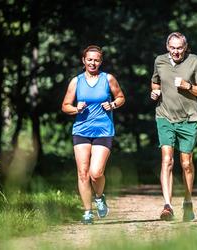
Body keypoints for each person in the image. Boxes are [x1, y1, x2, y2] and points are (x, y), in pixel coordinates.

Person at [62, 45, 125, 224]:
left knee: (95, 173)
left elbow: (121, 97)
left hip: (103, 130)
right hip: (81, 130)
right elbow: (65, 105)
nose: (93, 62)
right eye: (89, 59)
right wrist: (76, 108)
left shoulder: (108, 79)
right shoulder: (76, 81)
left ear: (101, 62)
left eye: (96, 60)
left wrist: (112, 105)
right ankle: (88, 212)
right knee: (82, 173)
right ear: (84, 60)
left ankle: (99, 197)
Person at [150, 32, 197, 221]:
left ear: (185, 47)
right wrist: (154, 92)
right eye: (172, 48)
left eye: (179, 48)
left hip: (189, 119)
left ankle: (188, 202)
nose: (176, 51)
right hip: (164, 116)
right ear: (167, 47)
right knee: (167, 160)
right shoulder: (159, 61)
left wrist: (187, 86)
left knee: (186, 163)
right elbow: (155, 83)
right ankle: (167, 206)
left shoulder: (194, 61)